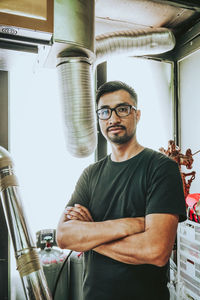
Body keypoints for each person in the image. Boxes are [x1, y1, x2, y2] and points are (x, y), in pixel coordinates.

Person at [56, 81, 186, 300]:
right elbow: (64, 236)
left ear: (137, 114)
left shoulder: (161, 168)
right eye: (105, 112)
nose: (113, 119)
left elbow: (156, 251)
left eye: (122, 109)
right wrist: (131, 224)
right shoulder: (90, 174)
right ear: (98, 119)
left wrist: (89, 235)